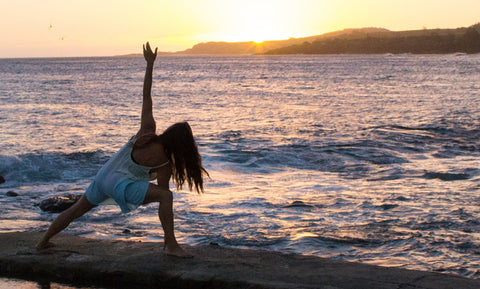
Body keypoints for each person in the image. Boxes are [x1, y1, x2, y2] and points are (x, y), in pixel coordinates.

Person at [36, 42, 208, 258]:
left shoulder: (147, 133)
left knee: (76, 210)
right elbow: (163, 200)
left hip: (103, 176)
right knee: (167, 197)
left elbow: (147, 96)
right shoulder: (165, 164)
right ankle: (171, 246)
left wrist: (149, 65)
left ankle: (42, 242)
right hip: (118, 185)